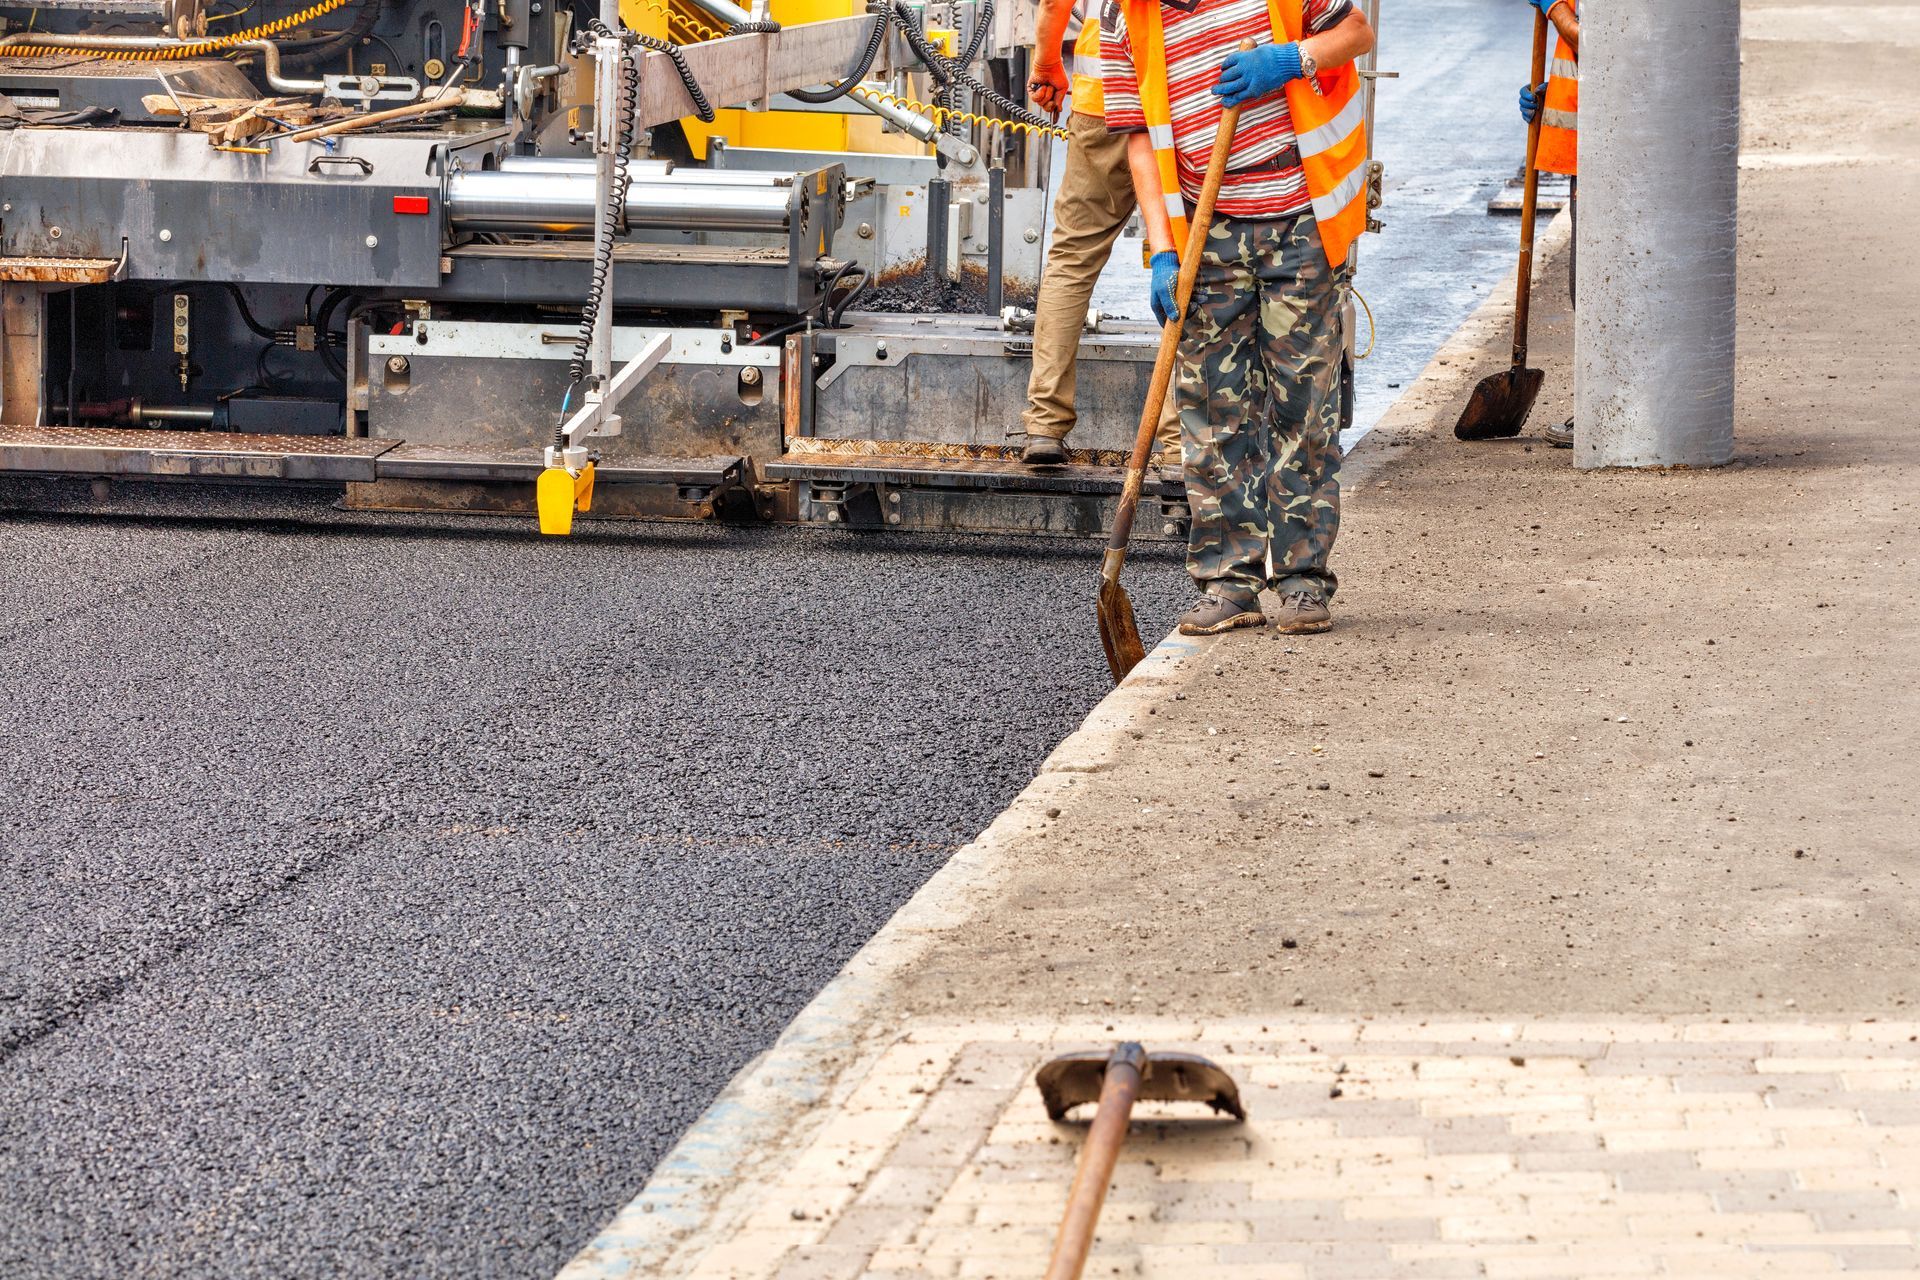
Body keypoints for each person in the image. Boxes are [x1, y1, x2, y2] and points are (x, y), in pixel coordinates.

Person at [1104, 0, 1373, 636]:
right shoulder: (1120, 15)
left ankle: (1304, 582)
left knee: (1303, 408)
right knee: (1211, 412)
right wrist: (1161, 245)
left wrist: (1291, 58)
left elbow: (1355, 33)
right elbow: (1139, 137)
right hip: (1206, 232)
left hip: (1298, 219)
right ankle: (1229, 584)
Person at [1022, 0, 1181, 475]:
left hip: (1103, 99)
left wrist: (1047, 61)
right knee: (1184, 255)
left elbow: (1055, 4)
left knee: (1073, 255)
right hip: (1181, 100)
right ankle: (1178, 439)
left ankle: (1046, 425)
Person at [1520, 0, 1578, 447]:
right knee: (1589, 293)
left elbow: (1614, 46)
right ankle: (1599, 405)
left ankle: (1605, 410)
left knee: (1602, 294)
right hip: (1591, 162)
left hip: (1617, 165)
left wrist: (1555, 9)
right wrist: (1550, 92)